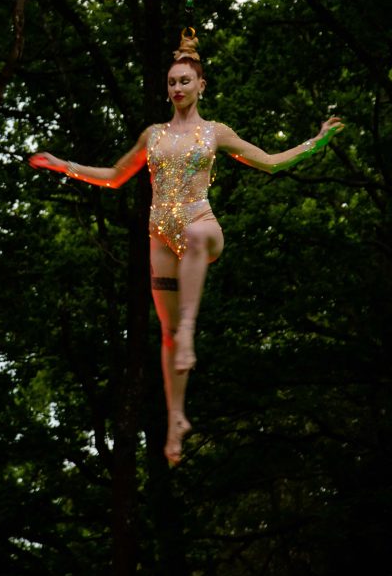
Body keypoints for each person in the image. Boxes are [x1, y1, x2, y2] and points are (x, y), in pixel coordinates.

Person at [29, 30, 344, 464]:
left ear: (201, 85)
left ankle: (191, 331)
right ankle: (176, 421)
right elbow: (115, 176)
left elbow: (271, 161)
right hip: (160, 234)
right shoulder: (153, 136)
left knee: (193, 257)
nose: (177, 88)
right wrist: (65, 165)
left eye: (185, 81)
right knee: (167, 335)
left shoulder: (216, 133)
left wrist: (317, 141)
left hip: (201, 225)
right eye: (172, 82)